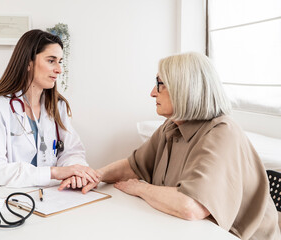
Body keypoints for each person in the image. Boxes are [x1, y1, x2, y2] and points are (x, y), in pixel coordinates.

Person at [60, 52, 280, 239]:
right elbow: (133, 166)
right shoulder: (172, 125)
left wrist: (140, 188)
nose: (152, 92)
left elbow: (191, 207)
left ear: (185, 88)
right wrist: (95, 176)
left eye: (160, 84)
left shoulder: (222, 133)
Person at [0, 29, 99, 188]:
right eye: (51, 60)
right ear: (28, 63)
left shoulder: (57, 106)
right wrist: (54, 172)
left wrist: (75, 171)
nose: (59, 69)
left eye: (60, 61)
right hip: (9, 197)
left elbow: (72, 152)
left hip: (54, 195)